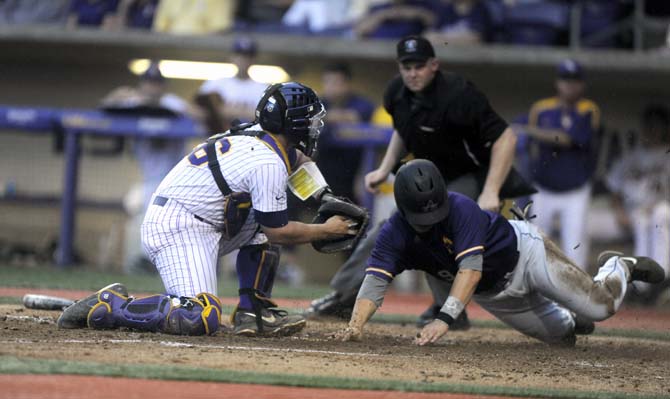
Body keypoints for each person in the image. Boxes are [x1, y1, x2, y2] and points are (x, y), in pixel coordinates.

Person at [58, 82, 359, 337]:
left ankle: (254, 312)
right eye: (309, 119)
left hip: (204, 221)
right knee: (199, 316)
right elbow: (278, 232)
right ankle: (111, 306)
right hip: (178, 226)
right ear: (293, 124)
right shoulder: (267, 162)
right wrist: (326, 229)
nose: (313, 126)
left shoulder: (259, 136)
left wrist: (324, 196)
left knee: (263, 214)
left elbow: (298, 160)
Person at [307, 35, 525, 330]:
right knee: (385, 232)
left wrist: (491, 190)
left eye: (419, 66)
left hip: (467, 175)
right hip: (429, 178)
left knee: (436, 231)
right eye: (406, 66)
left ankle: (448, 309)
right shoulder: (398, 91)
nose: (412, 72)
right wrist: (385, 168)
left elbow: (505, 138)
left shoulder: (459, 94)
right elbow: (403, 129)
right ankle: (343, 296)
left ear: (433, 65)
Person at [332, 159, 666, 346]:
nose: (430, 221)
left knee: (600, 308)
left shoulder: (460, 208)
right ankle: (569, 313)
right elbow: (375, 281)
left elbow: (471, 270)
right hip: (496, 295)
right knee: (564, 337)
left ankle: (618, 266)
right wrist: (356, 325)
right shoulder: (393, 233)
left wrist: (445, 318)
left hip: (527, 255)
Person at [100, 61, 196, 273]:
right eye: (149, 83)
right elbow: (106, 103)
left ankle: (160, 264)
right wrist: (124, 94)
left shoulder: (173, 103)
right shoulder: (135, 101)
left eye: (157, 83)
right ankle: (141, 262)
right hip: (148, 181)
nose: (153, 87)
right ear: (142, 84)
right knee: (140, 211)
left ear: (164, 86)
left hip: (175, 181)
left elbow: (198, 115)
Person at [524, 59, 600, 269]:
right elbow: (529, 146)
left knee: (575, 249)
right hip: (544, 187)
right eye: (565, 79)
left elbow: (568, 139)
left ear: (582, 84)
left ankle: (576, 299)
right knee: (536, 247)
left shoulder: (588, 109)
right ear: (557, 82)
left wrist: (532, 131)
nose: (570, 85)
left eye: (575, 80)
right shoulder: (541, 109)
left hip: (575, 190)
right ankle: (536, 295)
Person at [605, 104, 670, 304]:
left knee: (660, 213)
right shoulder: (632, 155)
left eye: (657, 126)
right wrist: (619, 211)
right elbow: (614, 186)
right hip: (635, 211)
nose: (653, 130)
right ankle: (643, 283)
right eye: (649, 125)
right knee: (642, 218)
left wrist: (658, 201)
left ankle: (662, 275)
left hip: (663, 207)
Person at [316, 62, 375, 203]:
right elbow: (309, 118)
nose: (331, 87)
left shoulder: (361, 103)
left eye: (336, 82)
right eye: (327, 82)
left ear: (347, 83)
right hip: (323, 170)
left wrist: (325, 118)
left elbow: (356, 116)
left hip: (353, 172)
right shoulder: (318, 103)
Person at [196, 37, 268, 133]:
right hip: (218, 137)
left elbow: (267, 118)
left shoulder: (263, 89)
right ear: (232, 57)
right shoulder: (216, 83)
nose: (243, 60)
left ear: (254, 59)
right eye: (240, 55)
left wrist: (223, 111)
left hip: (252, 140)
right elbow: (196, 109)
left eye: (247, 56)